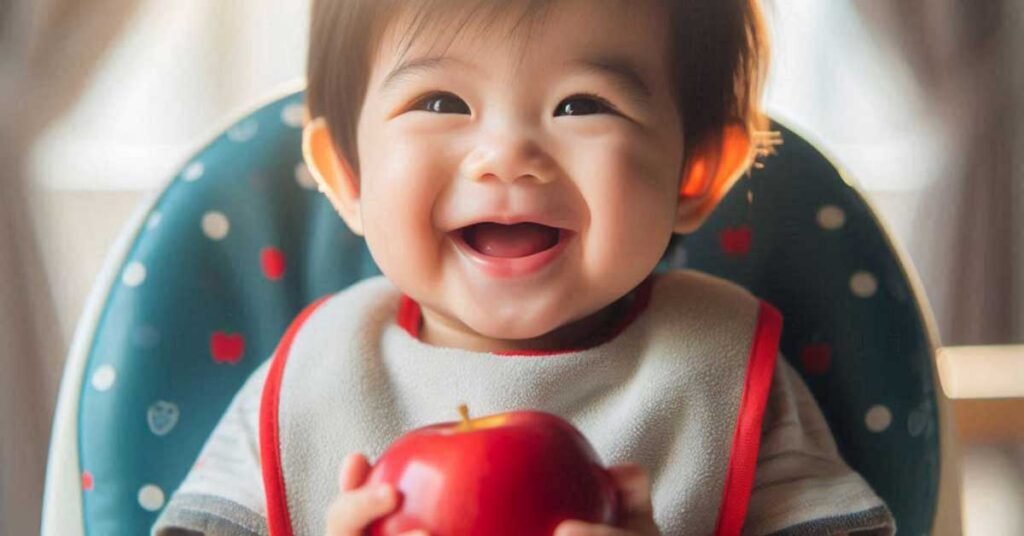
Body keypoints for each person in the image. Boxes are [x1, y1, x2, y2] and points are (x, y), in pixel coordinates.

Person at [154, 0, 896, 534]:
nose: (506, 153)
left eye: (581, 105)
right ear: (346, 175)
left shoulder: (723, 373)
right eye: (440, 99)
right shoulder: (312, 377)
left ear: (696, 173)